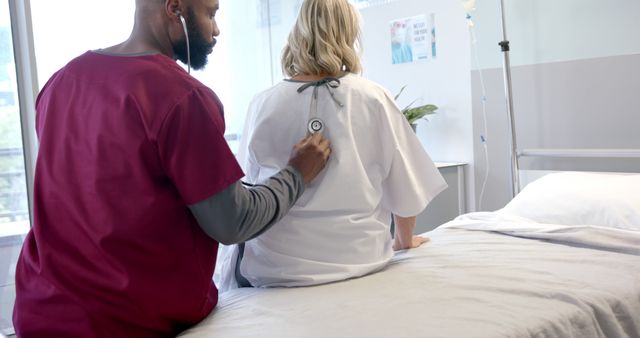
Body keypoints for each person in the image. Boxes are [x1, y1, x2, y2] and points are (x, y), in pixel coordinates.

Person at [12, 0, 330, 337]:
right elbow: (233, 221)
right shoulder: (181, 97)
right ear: (174, 7)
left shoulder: (61, 82)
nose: (216, 30)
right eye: (210, 14)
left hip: (38, 313)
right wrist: (297, 173)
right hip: (121, 323)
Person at [217, 0, 447, 290]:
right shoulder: (374, 98)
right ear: (349, 32)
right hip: (360, 261)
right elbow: (405, 188)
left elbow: (250, 189)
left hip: (277, 270)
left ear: (299, 31)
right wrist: (404, 241)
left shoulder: (264, 103)